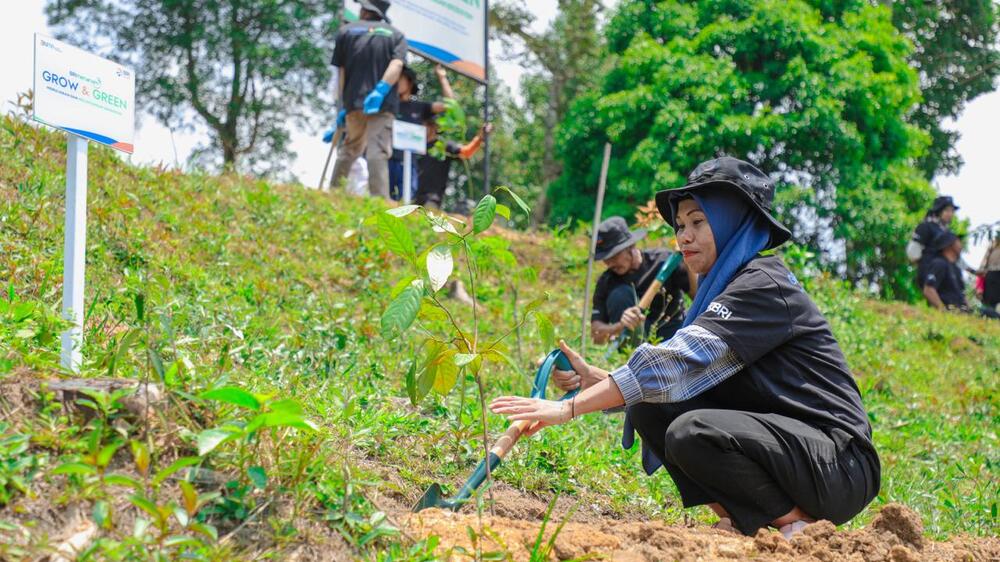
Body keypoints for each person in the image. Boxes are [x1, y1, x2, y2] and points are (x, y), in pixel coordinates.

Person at [492, 157, 880, 540]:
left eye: (698, 222)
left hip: (838, 463)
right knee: (651, 408)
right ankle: (745, 518)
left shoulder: (763, 284)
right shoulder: (725, 287)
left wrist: (568, 408)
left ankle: (798, 525)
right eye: (680, 225)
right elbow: (677, 379)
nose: (683, 237)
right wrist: (595, 381)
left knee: (693, 430)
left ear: (734, 222)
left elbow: (677, 363)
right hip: (792, 452)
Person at [328, 0, 407, 199]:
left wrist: (342, 106)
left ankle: (334, 194)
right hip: (382, 104)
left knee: (350, 148)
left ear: (364, 10)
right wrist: (381, 89)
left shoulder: (346, 32)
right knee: (377, 151)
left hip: (353, 103)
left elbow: (341, 73)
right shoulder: (396, 35)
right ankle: (378, 200)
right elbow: (397, 64)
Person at [590, 217, 696, 346]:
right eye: (605, 259)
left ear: (631, 246)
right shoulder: (606, 282)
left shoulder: (664, 261)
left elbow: (697, 296)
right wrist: (620, 326)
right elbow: (596, 336)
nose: (610, 263)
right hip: (634, 348)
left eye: (614, 256)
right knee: (619, 294)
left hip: (674, 336)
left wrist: (689, 263)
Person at [389, 64, 455, 200]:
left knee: (405, 201)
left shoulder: (419, 107)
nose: (396, 81)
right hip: (388, 160)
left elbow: (450, 105)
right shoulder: (388, 105)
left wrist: (442, 77)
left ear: (409, 82)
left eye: (400, 78)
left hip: (408, 163)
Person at [415, 120, 491, 209]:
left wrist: (480, 137)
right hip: (413, 195)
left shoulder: (444, 145)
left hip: (432, 196)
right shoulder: (416, 145)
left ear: (434, 127)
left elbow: (466, 152)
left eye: (426, 125)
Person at [908, 195, 976, 286]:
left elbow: (954, 258)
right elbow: (913, 253)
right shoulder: (926, 227)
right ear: (938, 211)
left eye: (952, 211)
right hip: (931, 277)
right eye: (947, 210)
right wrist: (927, 266)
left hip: (946, 277)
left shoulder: (947, 232)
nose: (950, 214)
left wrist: (972, 271)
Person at [922, 231, 969, 311]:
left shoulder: (956, 268)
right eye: (957, 240)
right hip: (951, 311)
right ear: (949, 245)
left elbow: (963, 294)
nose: (960, 244)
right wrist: (943, 310)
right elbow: (928, 289)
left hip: (962, 312)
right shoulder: (939, 264)